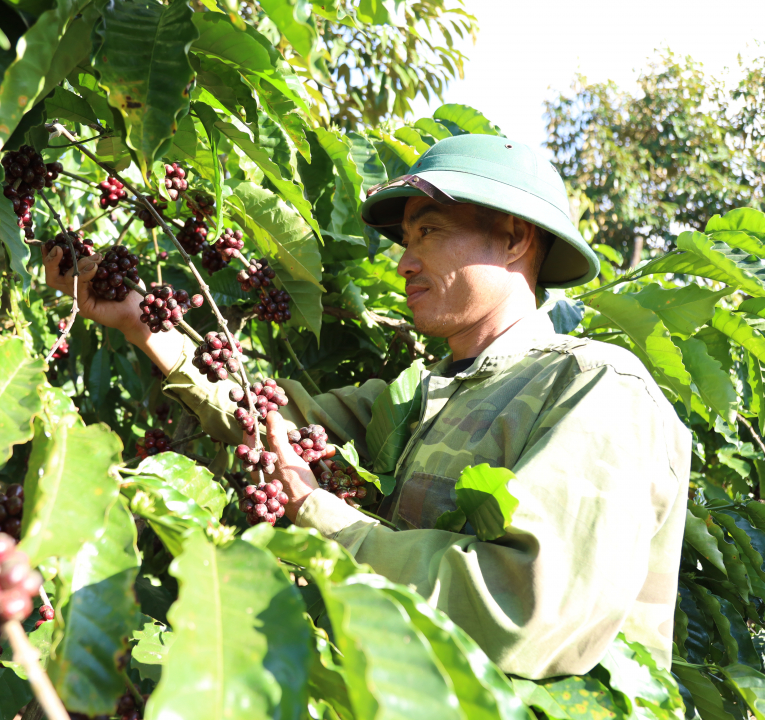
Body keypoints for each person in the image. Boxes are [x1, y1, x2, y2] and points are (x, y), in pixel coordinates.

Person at [43, 134, 690, 679]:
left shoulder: (596, 390)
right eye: (404, 240)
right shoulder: (424, 393)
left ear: (516, 239)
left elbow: (517, 612)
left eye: (429, 233)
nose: (405, 262)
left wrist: (318, 514)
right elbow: (264, 419)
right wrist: (143, 328)